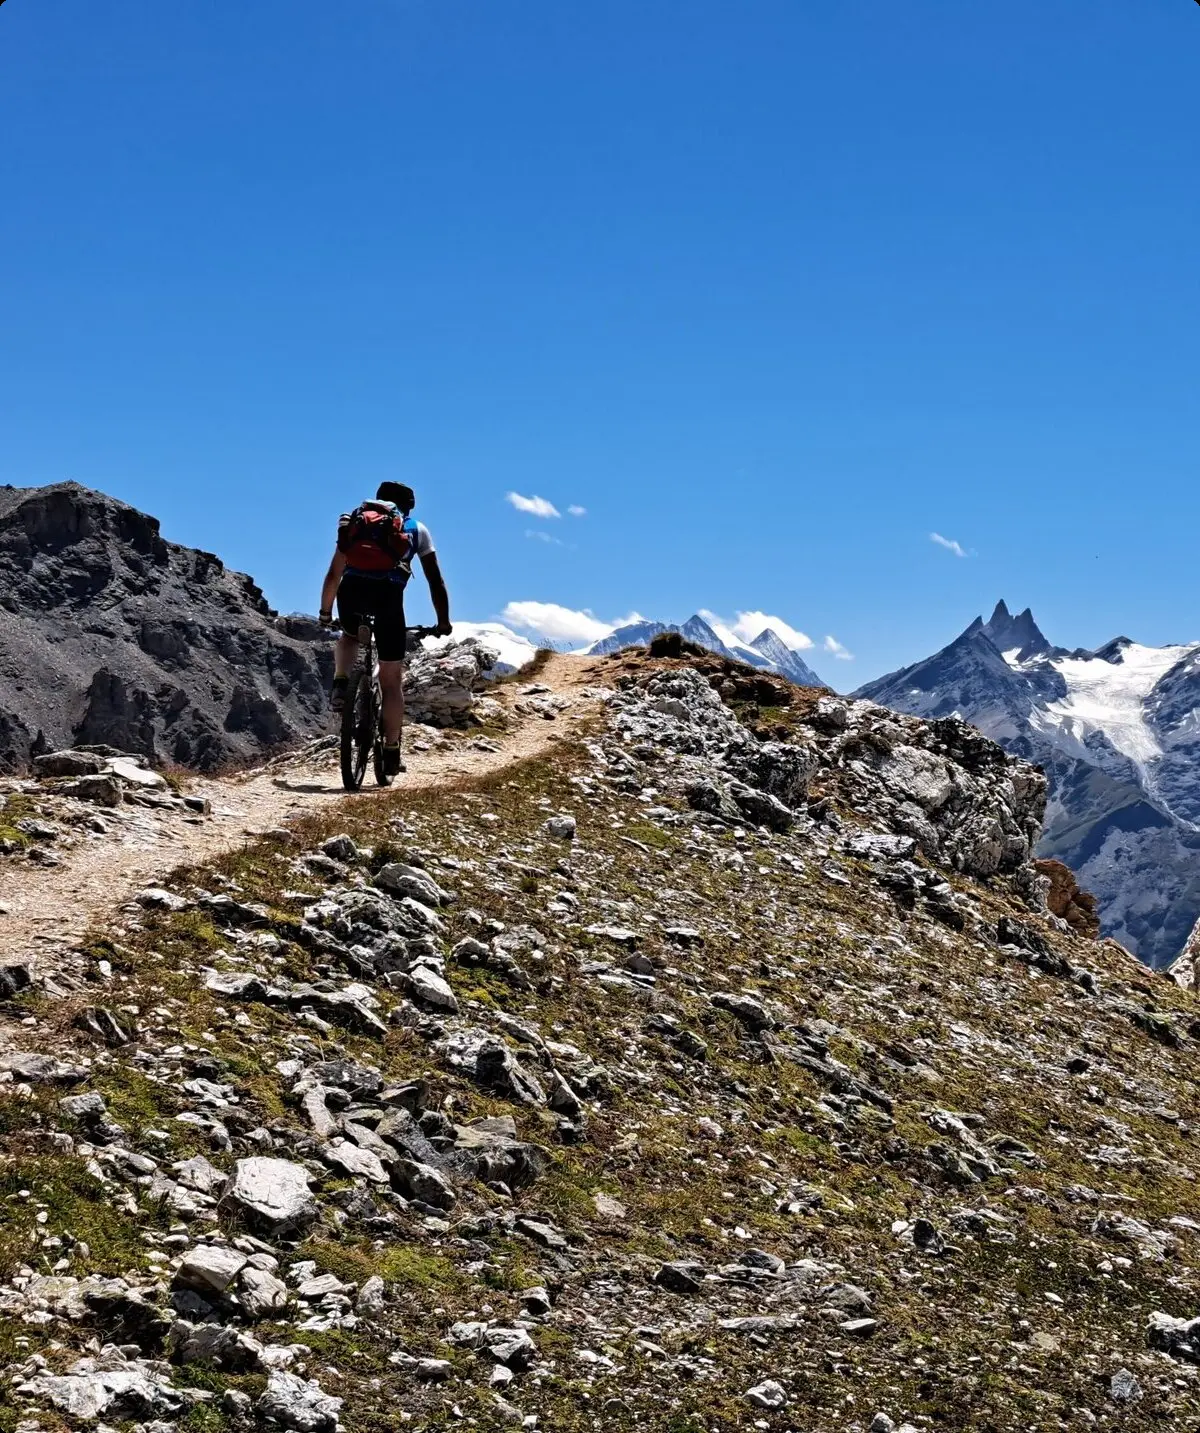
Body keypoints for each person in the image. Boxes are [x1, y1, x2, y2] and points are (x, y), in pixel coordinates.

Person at [318, 482, 451, 775]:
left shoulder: (354, 523)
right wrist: (443, 621)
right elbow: (435, 580)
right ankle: (391, 750)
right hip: (388, 600)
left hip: (351, 594)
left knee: (350, 634)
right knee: (391, 681)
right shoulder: (416, 529)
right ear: (409, 506)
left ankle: (341, 681)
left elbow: (333, 574)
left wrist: (325, 612)